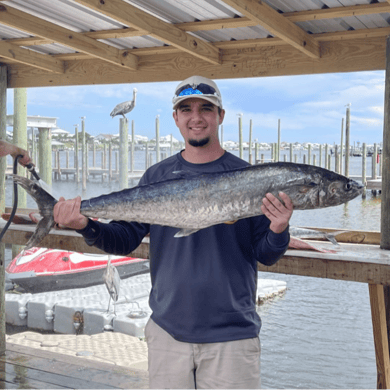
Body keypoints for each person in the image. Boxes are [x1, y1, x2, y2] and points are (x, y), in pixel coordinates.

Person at [53, 75, 293, 390]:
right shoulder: (157, 176)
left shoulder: (249, 177)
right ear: (176, 118)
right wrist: (85, 224)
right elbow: (126, 238)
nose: (196, 117)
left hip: (233, 337)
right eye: (187, 109)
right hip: (167, 333)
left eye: (206, 108)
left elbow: (265, 253)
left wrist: (278, 227)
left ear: (220, 116)